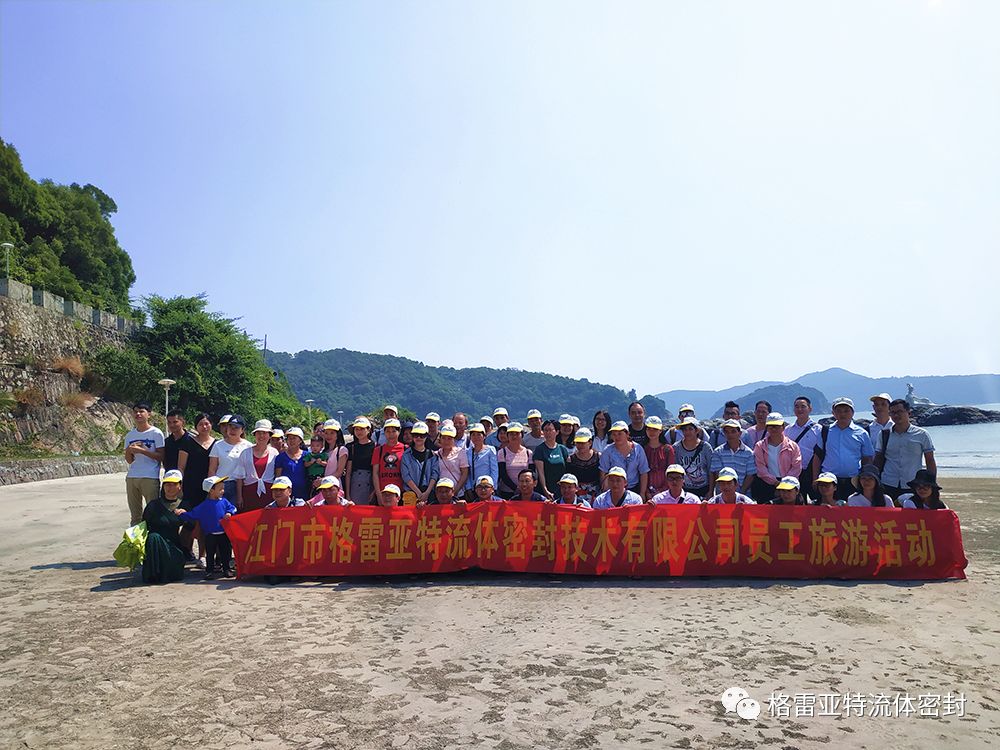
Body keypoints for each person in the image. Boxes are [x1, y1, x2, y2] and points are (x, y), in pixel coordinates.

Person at [812, 397, 875, 501]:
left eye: (846, 411)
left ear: (852, 413)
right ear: (833, 413)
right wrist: (815, 478)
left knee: (852, 508)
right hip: (828, 481)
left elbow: (867, 458)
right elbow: (817, 456)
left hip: (853, 481)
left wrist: (865, 480)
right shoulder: (825, 431)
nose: (842, 414)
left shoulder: (862, 433)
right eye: (839, 411)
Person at [175, 476, 237, 579]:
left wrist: (229, 513)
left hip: (223, 533)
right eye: (220, 489)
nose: (223, 491)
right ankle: (209, 571)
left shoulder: (224, 501)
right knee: (210, 553)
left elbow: (233, 508)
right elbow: (193, 514)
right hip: (210, 534)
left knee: (225, 552)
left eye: (223, 488)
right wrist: (182, 513)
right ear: (211, 491)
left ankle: (226, 569)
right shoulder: (203, 506)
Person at [875, 399, 936, 501]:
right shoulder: (884, 434)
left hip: (913, 483)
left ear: (909, 413)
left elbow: (930, 460)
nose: (896, 415)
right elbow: (878, 458)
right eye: (893, 412)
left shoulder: (922, 434)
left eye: (900, 411)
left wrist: (932, 483)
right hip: (888, 482)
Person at [140, 469, 187, 584]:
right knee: (153, 537)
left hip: (173, 547)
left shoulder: (184, 504)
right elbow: (144, 526)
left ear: (180, 486)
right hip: (154, 545)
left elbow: (192, 527)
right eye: (167, 484)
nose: (170, 487)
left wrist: (187, 515)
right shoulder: (153, 505)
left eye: (174, 484)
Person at [124, 402, 165, 525]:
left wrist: (142, 451)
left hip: (150, 476)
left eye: (141, 411)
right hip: (132, 477)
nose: (138, 414)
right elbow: (129, 460)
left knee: (153, 513)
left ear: (149, 414)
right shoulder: (130, 435)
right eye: (135, 411)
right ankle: (136, 537)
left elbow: (161, 456)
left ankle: (153, 535)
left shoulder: (156, 433)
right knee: (135, 515)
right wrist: (129, 450)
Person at [751, 413, 802, 504]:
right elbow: (760, 468)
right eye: (771, 426)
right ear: (766, 427)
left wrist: (784, 484)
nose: (773, 429)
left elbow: (796, 467)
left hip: (789, 487)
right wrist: (776, 483)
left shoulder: (793, 446)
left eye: (777, 426)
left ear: (783, 427)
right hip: (766, 485)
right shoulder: (759, 446)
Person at [599, 420, 649, 497]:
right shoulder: (608, 450)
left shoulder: (638, 449)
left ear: (627, 434)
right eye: (614, 434)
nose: (617, 437)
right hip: (615, 490)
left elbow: (643, 472)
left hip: (634, 489)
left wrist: (642, 493)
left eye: (620, 434)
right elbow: (603, 471)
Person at [207, 414, 250, 505]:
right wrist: (211, 488)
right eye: (230, 426)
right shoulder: (218, 445)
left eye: (236, 428)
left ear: (242, 430)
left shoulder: (248, 446)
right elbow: (212, 469)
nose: (232, 430)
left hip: (240, 485)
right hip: (221, 485)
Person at [238, 419, 279, 511]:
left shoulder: (274, 453)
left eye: (264, 433)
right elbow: (240, 477)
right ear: (255, 435)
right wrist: (239, 497)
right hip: (249, 492)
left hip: (269, 492)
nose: (261, 436)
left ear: (269, 435)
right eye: (259, 433)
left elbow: (277, 475)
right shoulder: (245, 453)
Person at [708, 419, 756, 497]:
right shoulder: (718, 452)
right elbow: (717, 473)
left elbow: (750, 475)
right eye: (727, 432)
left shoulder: (749, 453)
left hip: (744, 495)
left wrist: (741, 494)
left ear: (740, 433)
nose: (730, 434)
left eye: (733, 431)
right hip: (723, 494)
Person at [786, 396, 822, 500]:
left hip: (812, 472)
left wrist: (816, 477)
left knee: (816, 502)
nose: (799, 409)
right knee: (796, 502)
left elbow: (820, 454)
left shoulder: (818, 430)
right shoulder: (788, 430)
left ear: (810, 409)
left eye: (803, 406)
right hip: (794, 472)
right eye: (796, 406)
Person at [178, 412, 217, 506]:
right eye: (200, 424)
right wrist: (180, 483)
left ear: (211, 425)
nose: (204, 427)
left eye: (207, 424)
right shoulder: (187, 442)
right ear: (196, 427)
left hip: (209, 484)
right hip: (190, 483)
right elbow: (181, 467)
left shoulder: (217, 444)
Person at [672, 416, 712, 499]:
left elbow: (711, 471)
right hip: (684, 490)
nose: (687, 432)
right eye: (685, 429)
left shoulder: (706, 447)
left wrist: (711, 491)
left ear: (697, 430)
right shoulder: (676, 447)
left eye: (690, 429)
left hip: (703, 489)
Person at [401, 421, 440, 505]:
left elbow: (435, 474)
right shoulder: (406, 455)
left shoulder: (433, 455)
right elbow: (406, 476)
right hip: (411, 494)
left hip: (429, 494)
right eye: (416, 435)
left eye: (422, 435)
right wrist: (418, 493)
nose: (418, 438)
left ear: (426, 436)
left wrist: (427, 492)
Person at [533, 420, 571, 500]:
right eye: (545, 430)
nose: (548, 433)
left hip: (562, 490)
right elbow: (540, 472)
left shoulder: (562, 449)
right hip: (546, 489)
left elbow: (567, 470)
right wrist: (545, 490)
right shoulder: (540, 449)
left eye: (550, 430)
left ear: (557, 432)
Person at [497, 422, 533, 499]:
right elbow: (503, 474)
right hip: (507, 492)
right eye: (511, 434)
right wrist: (515, 488)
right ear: (507, 436)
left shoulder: (528, 453)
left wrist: (523, 488)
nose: (514, 436)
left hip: (526, 492)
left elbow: (531, 473)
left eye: (517, 433)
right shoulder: (502, 453)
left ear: (522, 435)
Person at [642, 416, 675, 499]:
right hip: (647, 492)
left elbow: (671, 471)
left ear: (660, 430)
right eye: (649, 429)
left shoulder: (668, 449)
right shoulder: (642, 449)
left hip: (665, 492)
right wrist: (646, 491)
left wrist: (661, 490)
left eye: (655, 429)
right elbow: (641, 472)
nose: (651, 432)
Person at [371, 418, 406, 497]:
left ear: (399, 432)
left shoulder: (406, 449)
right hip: (383, 492)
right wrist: (378, 494)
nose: (391, 434)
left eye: (394, 431)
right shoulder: (378, 450)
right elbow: (375, 473)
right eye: (388, 431)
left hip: (401, 492)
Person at [345, 416, 376, 505]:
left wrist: (374, 491)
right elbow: (348, 473)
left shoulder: (375, 447)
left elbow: (376, 472)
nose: (359, 432)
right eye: (356, 429)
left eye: (362, 429)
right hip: (355, 484)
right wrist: (348, 494)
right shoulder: (351, 447)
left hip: (370, 483)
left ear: (368, 430)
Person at [274, 427, 310, 500]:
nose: (291, 440)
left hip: (305, 493)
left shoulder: (307, 455)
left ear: (300, 440)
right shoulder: (280, 457)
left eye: (294, 438)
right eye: (289, 438)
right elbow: (278, 477)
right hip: (286, 495)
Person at [567, 428, 602, 504]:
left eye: (583, 443)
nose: (580, 445)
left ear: (590, 442)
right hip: (577, 496)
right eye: (578, 442)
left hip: (596, 495)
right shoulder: (570, 459)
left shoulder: (598, 457)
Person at [465, 423, 498, 500]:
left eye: (479, 435)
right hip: (474, 488)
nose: (476, 437)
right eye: (473, 435)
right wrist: (468, 488)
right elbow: (467, 472)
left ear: (484, 436)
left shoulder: (490, 450)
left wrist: (493, 487)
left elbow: (494, 470)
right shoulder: (467, 452)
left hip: (487, 486)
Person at [436, 423, 469, 492]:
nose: (446, 441)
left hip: (457, 491)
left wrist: (456, 490)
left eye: (449, 438)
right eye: (444, 438)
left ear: (454, 439)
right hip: (440, 492)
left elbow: (465, 473)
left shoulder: (460, 453)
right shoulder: (436, 454)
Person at [322, 419, 349, 483]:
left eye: (332, 433)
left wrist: (322, 480)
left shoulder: (342, 450)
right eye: (326, 433)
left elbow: (339, 472)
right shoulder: (323, 451)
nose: (329, 436)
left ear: (338, 434)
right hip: (323, 486)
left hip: (334, 485)